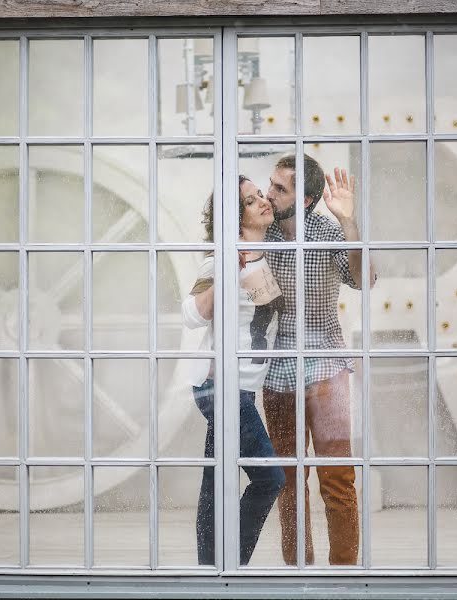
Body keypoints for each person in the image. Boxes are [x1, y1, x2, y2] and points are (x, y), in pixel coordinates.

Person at [262, 154, 375, 566]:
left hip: (327, 364)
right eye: (270, 185)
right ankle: (298, 573)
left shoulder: (329, 231)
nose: (269, 194)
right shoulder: (263, 232)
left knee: (337, 476)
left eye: (279, 189)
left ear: (306, 199)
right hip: (277, 368)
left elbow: (364, 280)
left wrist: (348, 222)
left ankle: (344, 576)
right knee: (287, 481)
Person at [182, 175, 286, 566]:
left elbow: (262, 320)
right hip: (221, 388)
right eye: (249, 201)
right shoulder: (222, 259)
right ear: (234, 219)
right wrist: (227, 268)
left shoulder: (260, 255)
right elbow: (192, 314)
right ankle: (231, 563)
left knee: (216, 478)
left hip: (242, 390)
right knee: (270, 479)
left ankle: (209, 568)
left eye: (261, 195)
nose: (262, 201)